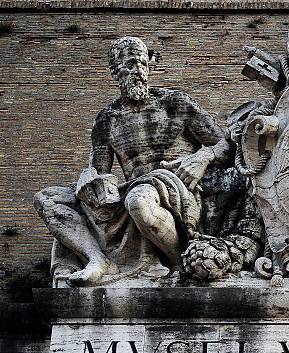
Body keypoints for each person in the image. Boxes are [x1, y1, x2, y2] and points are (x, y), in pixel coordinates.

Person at [34, 37, 231, 286]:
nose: (137, 71)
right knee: (48, 199)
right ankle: (98, 260)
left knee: (138, 201)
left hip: (176, 187)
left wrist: (203, 157)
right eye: (129, 65)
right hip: (133, 189)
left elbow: (227, 144)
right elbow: (100, 173)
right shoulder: (106, 120)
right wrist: (89, 180)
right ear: (116, 71)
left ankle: (178, 263)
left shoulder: (175, 103)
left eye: (142, 64)